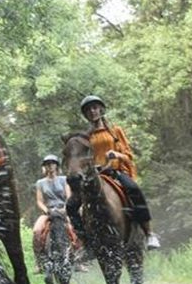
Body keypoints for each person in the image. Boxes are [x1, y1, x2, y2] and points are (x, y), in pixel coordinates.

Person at [66, 95, 161, 249]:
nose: (92, 111)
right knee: (71, 205)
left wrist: (116, 155)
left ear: (101, 110)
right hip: (94, 177)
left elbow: (128, 156)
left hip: (115, 172)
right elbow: (80, 160)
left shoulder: (115, 131)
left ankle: (149, 233)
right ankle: (84, 242)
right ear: (85, 115)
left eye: (95, 108)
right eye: (89, 110)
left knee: (134, 189)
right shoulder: (84, 137)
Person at [32, 155, 84, 273]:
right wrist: (46, 209)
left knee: (76, 228)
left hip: (63, 210)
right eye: (47, 164)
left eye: (52, 163)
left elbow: (69, 195)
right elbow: (39, 201)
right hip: (49, 211)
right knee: (37, 231)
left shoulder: (64, 179)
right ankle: (39, 262)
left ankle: (78, 260)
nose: (50, 166)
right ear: (44, 167)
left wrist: (66, 208)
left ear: (56, 166)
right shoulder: (40, 183)